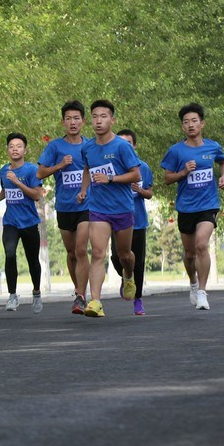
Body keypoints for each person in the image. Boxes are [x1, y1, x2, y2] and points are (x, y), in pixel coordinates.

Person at [161, 103, 224, 311]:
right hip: (186, 207)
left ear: (202, 123)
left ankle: (202, 292)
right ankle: (193, 282)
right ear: (182, 127)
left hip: (208, 205)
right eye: (186, 122)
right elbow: (167, 179)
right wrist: (183, 172)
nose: (190, 125)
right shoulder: (176, 151)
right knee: (190, 254)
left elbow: (223, 161)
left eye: (194, 121)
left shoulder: (212, 147)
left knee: (201, 245)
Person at [77, 100, 141, 318]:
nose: (98, 121)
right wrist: (83, 190)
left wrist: (111, 178)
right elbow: (87, 169)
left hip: (122, 208)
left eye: (103, 116)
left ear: (112, 120)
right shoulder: (87, 148)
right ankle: (95, 301)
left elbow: (136, 174)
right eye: (95, 116)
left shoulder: (122, 146)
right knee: (97, 253)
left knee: (125, 255)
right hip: (98, 208)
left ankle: (128, 276)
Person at [37, 101, 93, 314]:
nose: (72, 122)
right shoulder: (55, 147)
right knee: (71, 253)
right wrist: (60, 165)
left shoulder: (90, 146)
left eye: (76, 118)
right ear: (63, 122)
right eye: (68, 119)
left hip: (86, 205)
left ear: (83, 121)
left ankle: (81, 295)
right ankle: (78, 290)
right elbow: (40, 173)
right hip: (64, 206)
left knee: (81, 249)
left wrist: (86, 190)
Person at [0, 133, 44, 313]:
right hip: (11, 222)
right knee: (10, 254)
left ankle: (36, 293)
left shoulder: (31, 170)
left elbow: (37, 195)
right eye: (11, 146)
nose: (15, 149)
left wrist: (17, 182)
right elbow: (6, 189)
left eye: (19, 146)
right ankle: (12, 295)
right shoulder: (3, 171)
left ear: (24, 150)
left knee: (32, 260)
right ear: (7, 150)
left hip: (29, 222)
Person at [110, 129, 153, 316]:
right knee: (116, 257)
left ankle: (138, 299)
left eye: (128, 143)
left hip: (138, 221)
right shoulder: (112, 168)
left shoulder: (143, 167)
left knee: (139, 262)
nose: (124, 146)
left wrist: (140, 190)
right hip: (117, 219)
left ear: (134, 146)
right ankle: (126, 276)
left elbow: (149, 193)